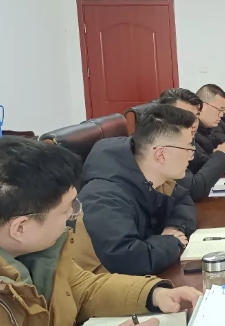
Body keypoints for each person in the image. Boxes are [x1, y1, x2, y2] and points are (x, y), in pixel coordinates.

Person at [0, 136, 201, 326]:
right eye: (66, 210)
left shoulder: (39, 249)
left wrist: (153, 294)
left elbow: (82, 287)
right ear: (20, 228)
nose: (74, 215)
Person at [75, 105, 198, 275]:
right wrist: (171, 243)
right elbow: (128, 260)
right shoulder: (103, 197)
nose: (191, 156)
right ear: (161, 155)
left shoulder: (153, 175)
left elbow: (183, 200)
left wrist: (174, 228)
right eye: (188, 148)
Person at [158, 88, 225, 202]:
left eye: (196, 116)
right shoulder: (162, 147)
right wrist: (221, 156)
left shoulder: (186, 139)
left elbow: (201, 163)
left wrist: (222, 155)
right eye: (185, 117)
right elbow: (192, 190)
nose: (194, 124)